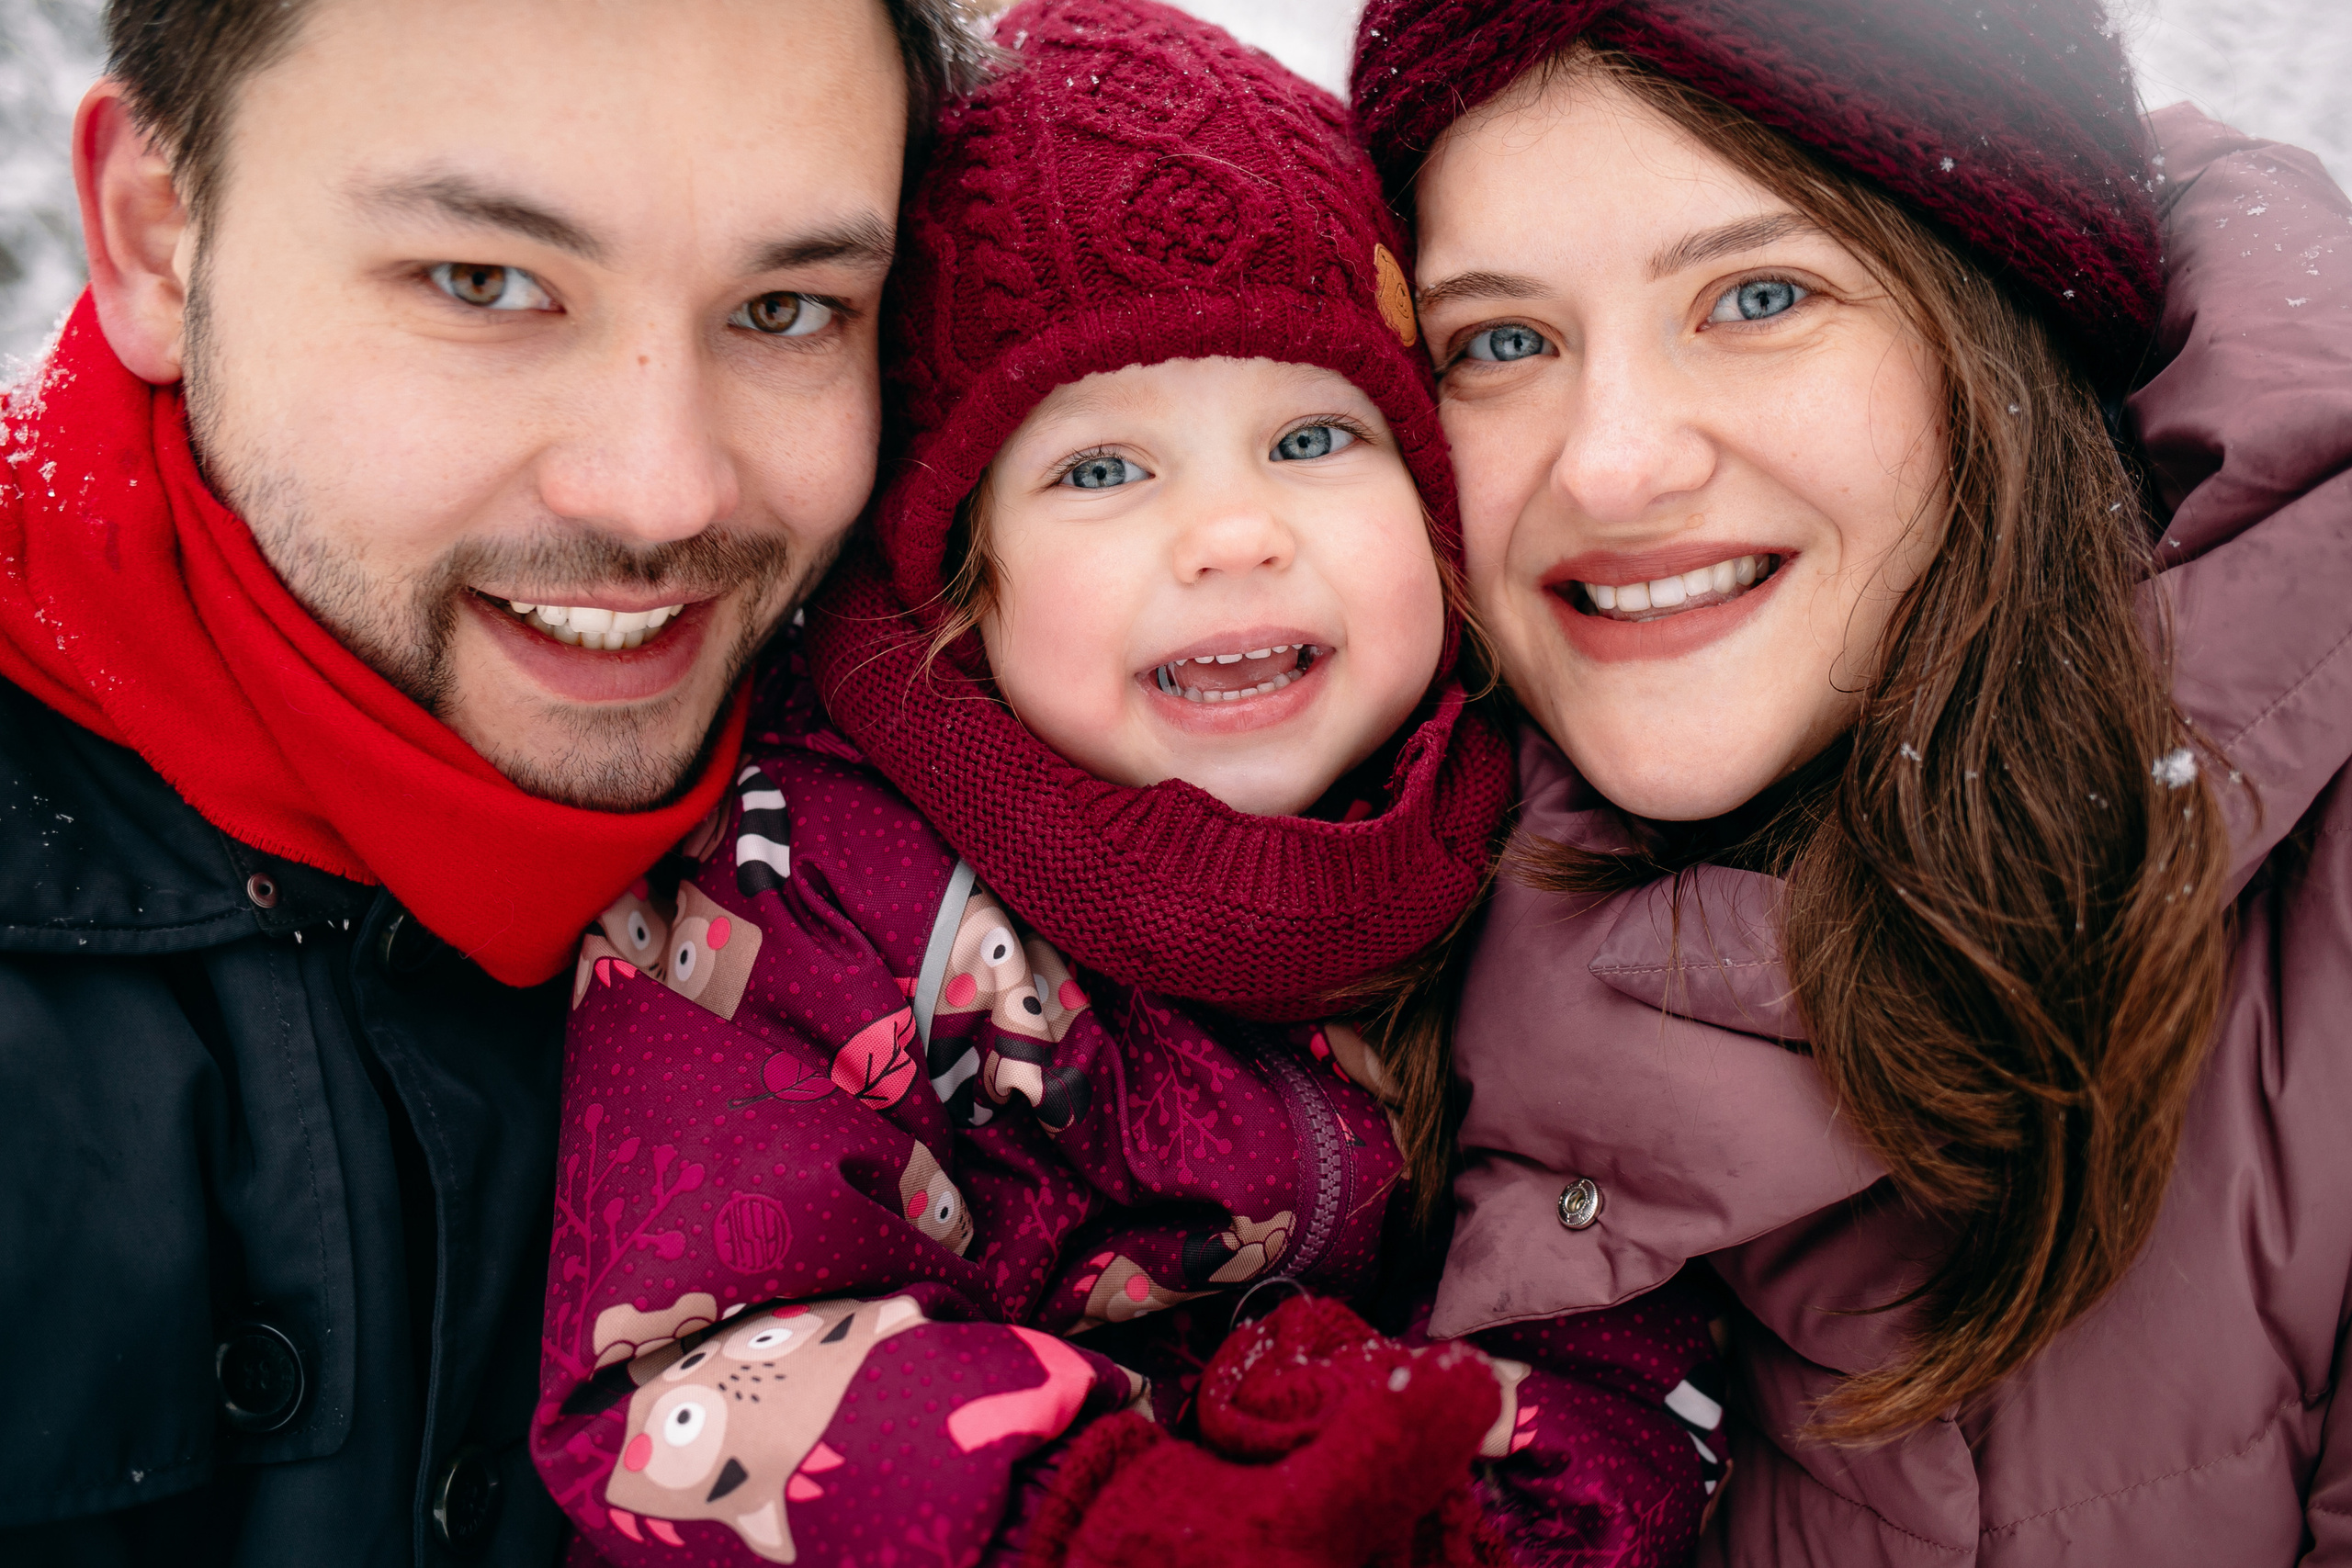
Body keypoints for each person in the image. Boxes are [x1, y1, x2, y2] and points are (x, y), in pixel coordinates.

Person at [531, 4, 1727, 1563]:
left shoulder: (1547, 859)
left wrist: (1475, 1504)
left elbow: (1643, 1340)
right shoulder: (812, 886)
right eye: (1102, 470)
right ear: (960, 569)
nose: (1234, 534)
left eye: (1313, 438)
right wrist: (1100, 1516)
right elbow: (694, 1369)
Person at [1349, 0, 2352, 1562]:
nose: (1610, 466)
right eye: (1504, 342)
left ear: (2005, 327)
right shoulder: (1312, 909)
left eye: (1757, 295)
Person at [0, 2, 987, 1562]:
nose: (664, 489)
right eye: (486, 282)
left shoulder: (962, 879)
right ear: (156, 234)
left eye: (789, 307)